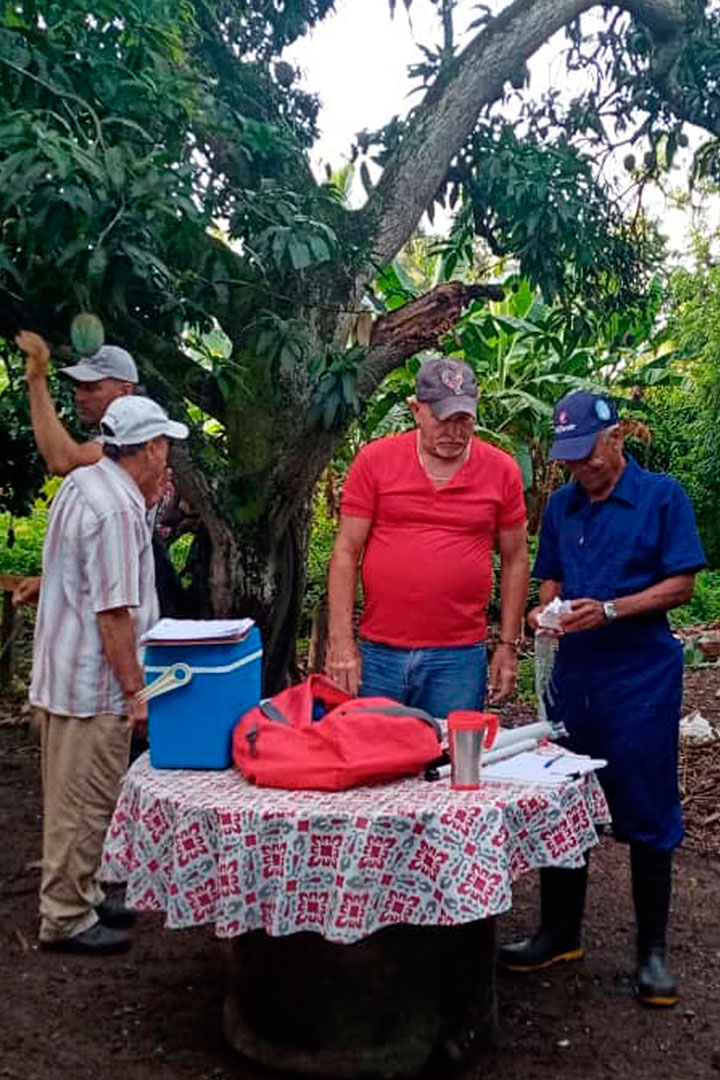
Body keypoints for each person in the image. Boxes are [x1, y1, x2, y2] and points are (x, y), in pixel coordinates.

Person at [499, 390, 706, 1008]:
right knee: (564, 797)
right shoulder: (563, 505)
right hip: (573, 675)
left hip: (640, 676)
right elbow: (551, 575)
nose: (578, 469)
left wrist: (612, 608)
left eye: (587, 455)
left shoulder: (662, 497)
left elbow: (683, 584)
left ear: (617, 438)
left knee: (646, 804)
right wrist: (545, 608)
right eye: (568, 461)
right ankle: (558, 932)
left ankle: (651, 952)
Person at [30, 395, 189, 955]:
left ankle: (86, 892)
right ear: (146, 448)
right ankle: (67, 915)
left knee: (75, 797)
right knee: (85, 801)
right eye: (163, 445)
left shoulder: (87, 483)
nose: (167, 456)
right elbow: (115, 612)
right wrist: (135, 692)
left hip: (62, 673)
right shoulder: (118, 510)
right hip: (92, 686)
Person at [325, 355, 529, 715]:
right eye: (442, 418)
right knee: (374, 758)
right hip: (379, 653)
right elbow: (345, 552)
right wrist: (341, 642)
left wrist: (507, 645)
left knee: (450, 762)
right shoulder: (376, 460)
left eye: (463, 420)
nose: (454, 432)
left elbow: (515, 560)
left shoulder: (501, 470)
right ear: (416, 410)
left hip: (459, 657)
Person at [13, 330, 195, 617]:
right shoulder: (109, 448)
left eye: (91, 387)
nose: (80, 396)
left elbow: (61, 460)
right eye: (79, 387)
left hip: (132, 590)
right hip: (120, 580)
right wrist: (53, 583)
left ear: (124, 391)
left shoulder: (121, 450)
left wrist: (37, 380)